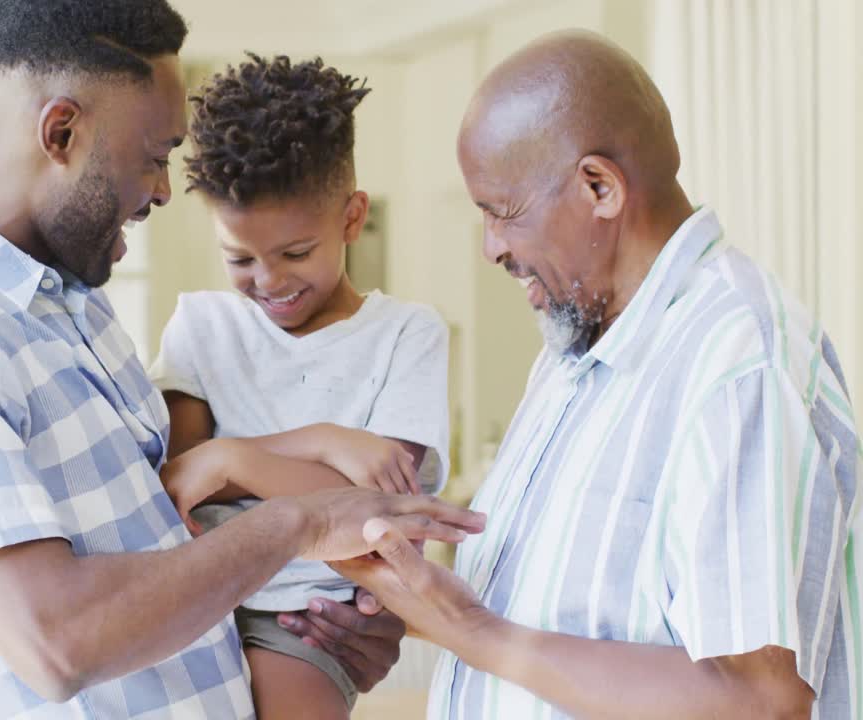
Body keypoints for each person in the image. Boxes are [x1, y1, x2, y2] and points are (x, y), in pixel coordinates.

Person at [0, 1, 486, 718]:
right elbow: (59, 640)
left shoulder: (64, 302)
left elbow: (175, 546)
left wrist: (337, 641)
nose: (167, 190)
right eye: (155, 157)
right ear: (61, 132)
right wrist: (301, 524)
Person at [331, 30, 861, 719]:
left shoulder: (739, 364)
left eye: (503, 212)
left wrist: (471, 632)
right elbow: (564, 629)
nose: (492, 247)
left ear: (599, 187)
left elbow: (759, 700)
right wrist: (416, 611)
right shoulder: (573, 348)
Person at [148, 54, 452, 718]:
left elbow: (377, 515)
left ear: (350, 219)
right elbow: (180, 481)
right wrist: (324, 442)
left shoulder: (407, 335)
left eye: (295, 253)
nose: (270, 282)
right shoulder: (200, 325)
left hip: (307, 619)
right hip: (193, 598)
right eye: (240, 259)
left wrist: (233, 459)